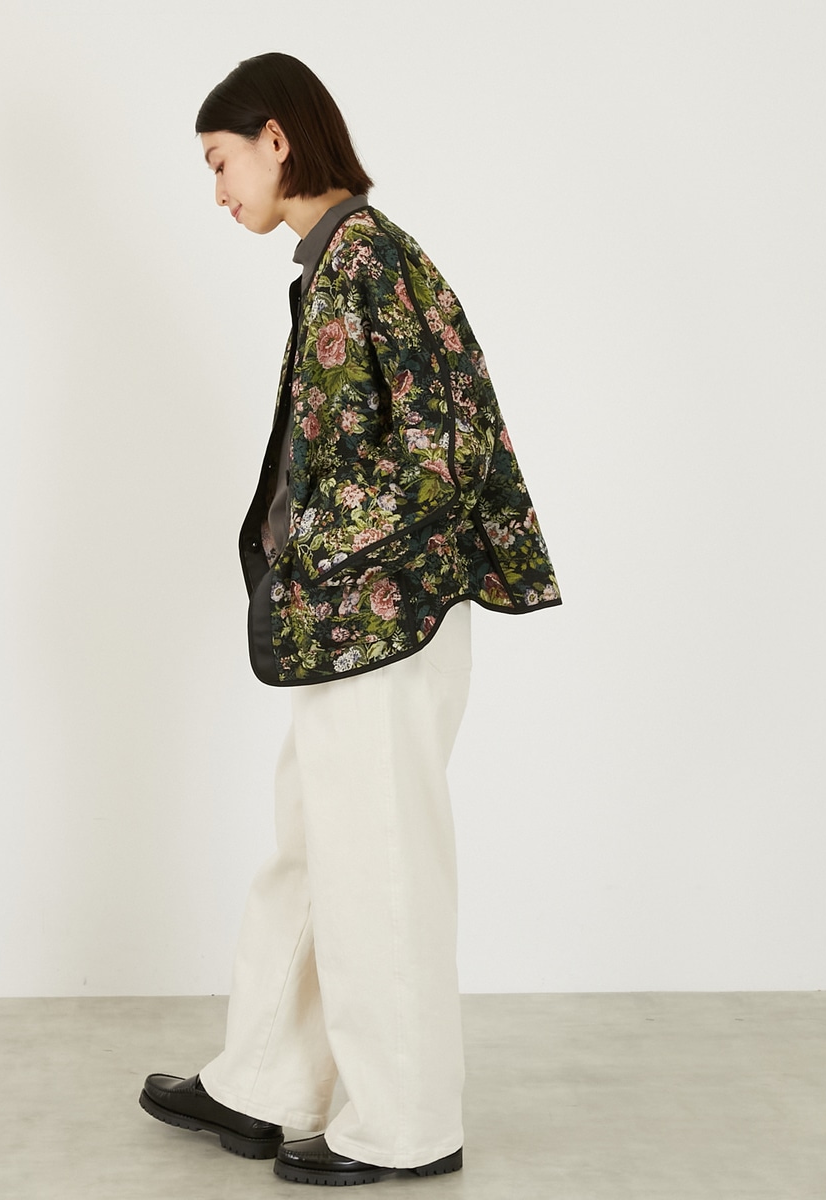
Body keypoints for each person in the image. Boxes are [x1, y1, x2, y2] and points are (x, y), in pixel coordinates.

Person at [139, 52, 560, 1187]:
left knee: (378, 867)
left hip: (390, 620)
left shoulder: (367, 260)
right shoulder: (343, 260)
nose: (216, 189)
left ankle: (405, 1127)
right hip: (357, 621)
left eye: (220, 161)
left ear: (276, 139)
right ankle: (264, 1081)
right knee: (312, 846)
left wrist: (313, 552)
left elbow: (439, 455)